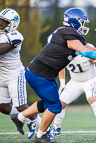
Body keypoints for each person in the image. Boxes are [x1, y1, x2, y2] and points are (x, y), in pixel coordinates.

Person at [10, 8, 96, 143]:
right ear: (75, 21)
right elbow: (85, 52)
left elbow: (88, 47)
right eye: (82, 22)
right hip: (40, 74)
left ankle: (20, 117)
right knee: (55, 106)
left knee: (49, 102)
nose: (84, 25)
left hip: (42, 73)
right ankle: (41, 136)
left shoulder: (66, 33)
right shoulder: (69, 32)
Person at [50, 44, 96, 137]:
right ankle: (56, 127)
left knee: (92, 99)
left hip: (90, 80)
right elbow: (60, 66)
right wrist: (62, 82)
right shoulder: (61, 51)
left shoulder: (86, 48)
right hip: (74, 81)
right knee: (60, 103)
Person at [0, 8, 41, 139]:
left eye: (4, 22)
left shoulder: (15, 36)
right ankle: (27, 120)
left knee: (21, 106)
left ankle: (45, 128)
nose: (0, 23)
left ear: (12, 24)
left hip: (14, 75)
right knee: (3, 107)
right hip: (1, 75)